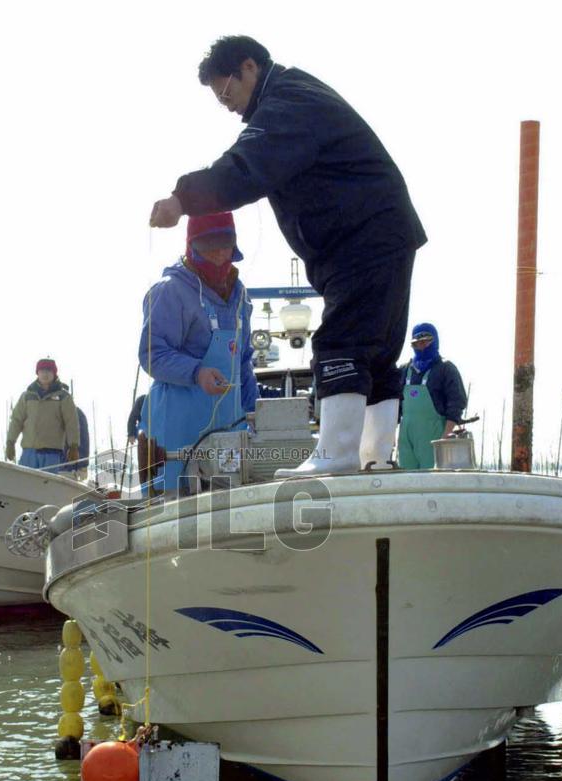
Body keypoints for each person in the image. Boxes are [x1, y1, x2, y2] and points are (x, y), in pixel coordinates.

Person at [149, 35, 426, 477]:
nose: (226, 103)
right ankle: (374, 458)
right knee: (376, 354)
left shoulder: (287, 105)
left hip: (361, 238)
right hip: (383, 233)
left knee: (342, 343)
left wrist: (183, 200)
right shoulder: (297, 97)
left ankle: (336, 458)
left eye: (226, 90)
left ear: (249, 68)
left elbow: (245, 167)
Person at [138, 211, 258, 493]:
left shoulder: (240, 296)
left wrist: (255, 414)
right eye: (208, 246)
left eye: (225, 244)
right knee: (175, 515)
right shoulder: (169, 292)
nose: (218, 253)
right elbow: (151, 354)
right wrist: (196, 372)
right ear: (192, 246)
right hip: (177, 431)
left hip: (231, 431)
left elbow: (243, 362)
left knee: (233, 513)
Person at [398, 323, 468, 469]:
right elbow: (394, 408)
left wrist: (445, 439)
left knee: (432, 483)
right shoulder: (404, 370)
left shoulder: (445, 368)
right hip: (406, 440)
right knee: (406, 481)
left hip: (435, 439)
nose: (421, 346)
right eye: (416, 344)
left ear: (435, 341)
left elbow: (457, 403)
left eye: (425, 342)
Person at [5, 359, 80, 471]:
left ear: (54, 373)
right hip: (29, 453)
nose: (45, 374)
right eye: (42, 371)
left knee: (47, 486)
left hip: (52, 454)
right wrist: (10, 442)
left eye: (49, 371)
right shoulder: (27, 396)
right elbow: (16, 420)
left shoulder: (63, 397)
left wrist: (73, 445)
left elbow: (71, 423)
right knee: (24, 484)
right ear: (37, 373)